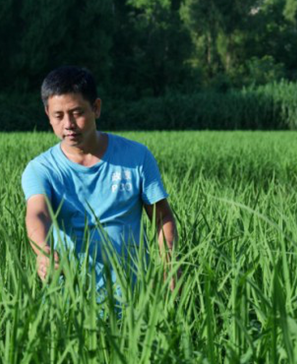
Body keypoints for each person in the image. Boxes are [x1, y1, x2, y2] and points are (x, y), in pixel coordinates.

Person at [21, 66, 180, 296]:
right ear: (48, 114)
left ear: (96, 108)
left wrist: (170, 265)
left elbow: (162, 216)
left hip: (135, 299)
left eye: (77, 113)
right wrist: (43, 251)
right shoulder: (41, 169)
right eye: (58, 116)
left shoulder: (136, 157)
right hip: (70, 301)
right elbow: (38, 213)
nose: (68, 124)